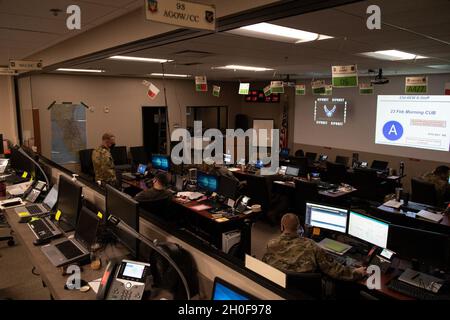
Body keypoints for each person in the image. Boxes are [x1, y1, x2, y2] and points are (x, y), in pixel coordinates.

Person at [262, 213, 367, 281]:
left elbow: (264, 266)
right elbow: (333, 269)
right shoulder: (311, 245)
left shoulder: (271, 243)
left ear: (282, 226)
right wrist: (356, 272)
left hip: (280, 288)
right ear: (299, 228)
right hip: (306, 290)